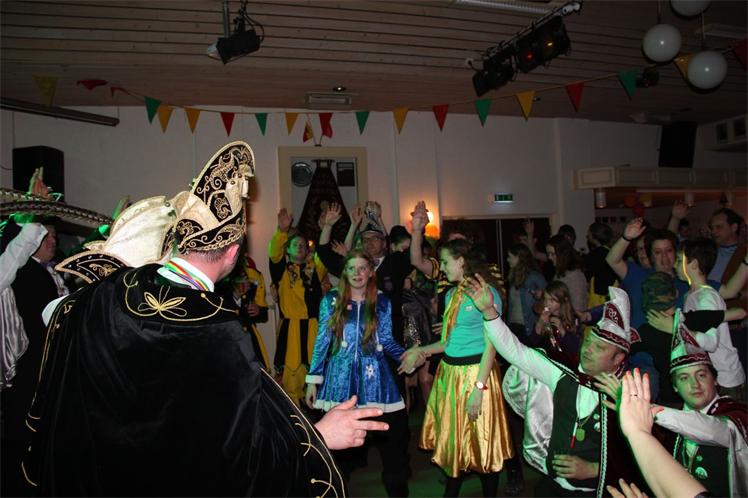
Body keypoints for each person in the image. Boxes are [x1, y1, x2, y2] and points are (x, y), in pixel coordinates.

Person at [20, 141, 388, 497]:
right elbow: (242, 455)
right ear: (233, 253)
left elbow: (55, 320)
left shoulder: (100, 296)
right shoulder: (216, 330)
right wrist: (321, 436)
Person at [469, 280, 641, 498]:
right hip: (552, 488)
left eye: (599, 347)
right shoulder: (564, 374)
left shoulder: (629, 396)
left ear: (618, 359)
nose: (588, 349)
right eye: (589, 341)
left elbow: (641, 459)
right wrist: (489, 312)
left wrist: (594, 469)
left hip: (597, 493)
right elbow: (516, 352)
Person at [401, 238, 514, 498]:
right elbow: (448, 342)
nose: (441, 267)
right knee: (456, 442)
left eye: (444, 262)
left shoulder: (486, 293)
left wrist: (479, 388)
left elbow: (492, 345)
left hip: (476, 374)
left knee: (484, 443)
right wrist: (421, 350)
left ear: (461, 261)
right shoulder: (452, 294)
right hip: (450, 375)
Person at [305, 250, 410, 497]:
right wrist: (313, 380)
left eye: (362, 268)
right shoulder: (331, 299)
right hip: (340, 378)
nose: (357, 273)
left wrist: (409, 356)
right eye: (351, 268)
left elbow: (386, 340)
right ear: (344, 272)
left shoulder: (382, 301)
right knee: (339, 449)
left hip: (375, 379)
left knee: (389, 442)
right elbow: (322, 340)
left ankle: (397, 489)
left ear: (371, 272)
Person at [607, 369, 707, 498]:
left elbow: (712, 428)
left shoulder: (732, 419)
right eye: (684, 378)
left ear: (715, 380)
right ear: (675, 387)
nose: (695, 384)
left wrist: (639, 410)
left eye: (702, 375)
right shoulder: (668, 431)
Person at [268, 208, 327, 405]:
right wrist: (282, 231)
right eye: (295, 245)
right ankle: (293, 415)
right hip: (291, 328)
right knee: (291, 375)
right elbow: (274, 254)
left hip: (313, 326)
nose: (300, 247)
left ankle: (317, 414)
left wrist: (325, 228)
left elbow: (325, 255)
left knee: (315, 373)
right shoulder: (281, 271)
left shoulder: (315, 268)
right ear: (288, 250)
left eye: (303, 245)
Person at [675, 238, 745, 401]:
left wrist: (681, 329)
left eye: (679, 261)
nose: (674, 265)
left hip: (725, 380)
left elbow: (711, 342)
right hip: (713, 377)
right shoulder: (691, 295)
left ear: (694, 264)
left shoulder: (706, 298)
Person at [606, 219, 686, 329]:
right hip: (640, 338)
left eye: (668, 250)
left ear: (675, 252)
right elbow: (612, 260)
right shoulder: (639, 275)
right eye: (658, 252)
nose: (664, 257)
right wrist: (626, 238)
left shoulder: (685, 281)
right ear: (651, 256)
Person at [505, 242, 546, 345]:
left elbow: (549, 297)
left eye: (510, 257)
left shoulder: (534, 277)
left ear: (518, 258)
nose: (507, 260)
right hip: (514, 326)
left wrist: (541, 296)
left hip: (528, 327)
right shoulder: (513, 277)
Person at [546, 234, 588, 313]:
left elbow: (578, 308)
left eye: (552, 254)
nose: (549, 257)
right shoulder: (561, 270)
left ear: (562, 254)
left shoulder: (575, 276)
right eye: (548, 254)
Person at [583, 222, 619, 308]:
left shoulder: (593, 255)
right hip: (613, 294)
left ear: (594, 236)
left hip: (598, 295)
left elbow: (587, 277)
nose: (587, 236)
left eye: (589, 233)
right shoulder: (612, 252)